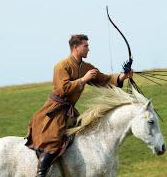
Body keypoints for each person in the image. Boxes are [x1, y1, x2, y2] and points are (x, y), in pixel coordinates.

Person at [25, 34, 133, 177]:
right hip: (54, 111)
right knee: (53, 139)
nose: (88, 49)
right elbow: (63, 89)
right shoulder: (61, 66)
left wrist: (122, 76)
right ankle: (41, 174)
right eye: (86, 46)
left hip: (70, 112)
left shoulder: (86, 67)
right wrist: (83, 79)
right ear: (76, 47)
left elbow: (106, 81)